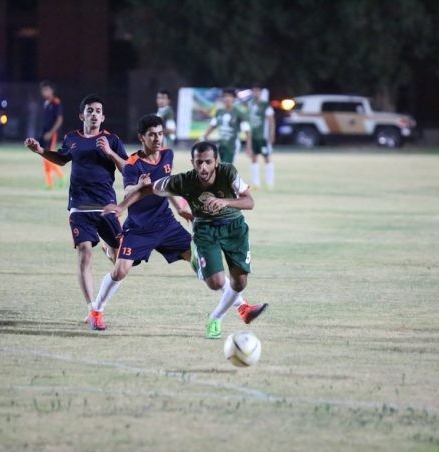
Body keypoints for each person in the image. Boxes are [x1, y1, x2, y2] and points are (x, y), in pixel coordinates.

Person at [103, 141, 268, 339]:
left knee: (240, 283)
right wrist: (121, 207)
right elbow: (147, 190)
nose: (203, 167)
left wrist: (225, 202)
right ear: (192, 162)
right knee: (215, 283)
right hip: (205, 230)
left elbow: (249, 201)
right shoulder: (183, 181)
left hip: (234, 229)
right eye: (199, 162)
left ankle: (222, 314)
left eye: (208, 162)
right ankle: (219, 316)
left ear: (216, 161)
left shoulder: (228, 172)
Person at [24, 94, 128, 319]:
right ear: (82, 116)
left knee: (122, 261)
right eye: (90, 111)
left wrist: (110, 153)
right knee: (84, 253)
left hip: (106, 206)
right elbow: (62, 159)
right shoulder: (72, 138)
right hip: (80, 206)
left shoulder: (112, 140)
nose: (94, 114)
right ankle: (93, 308)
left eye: (98, 111)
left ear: (103, 117)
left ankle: (107, 254)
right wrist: (40, 151)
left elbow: (127, 169)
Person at [87, 114, 194, 330]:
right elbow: (128, 191)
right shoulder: (133, 165)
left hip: (166, 223)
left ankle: (241, 305)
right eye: (152, 135)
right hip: (138, 228)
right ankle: (96, 310)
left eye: (160, 134)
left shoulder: (168, 154)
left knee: (200, 260)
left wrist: (180, 208)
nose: (157, 138)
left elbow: (166, 184)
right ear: (141, 138)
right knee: (120, 271)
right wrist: (139, 186)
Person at [201, 88, 252, 164]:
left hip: (232, 145)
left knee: (227, 167)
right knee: (218, 166)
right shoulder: (219, 112)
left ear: (234, 98)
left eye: (230, 96)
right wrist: (202, 138)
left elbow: (247, 131)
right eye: (225, 96)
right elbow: (212, 126)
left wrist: (248, 146)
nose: (227, 98)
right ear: (222, 98)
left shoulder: (239, 113)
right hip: (221, 144)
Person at [247, 84, 275, 188]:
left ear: (261, 92)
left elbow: (271, 121)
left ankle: (269, 182)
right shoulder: (250, 104)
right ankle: (256, 183)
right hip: (253, 136)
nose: (256, 93)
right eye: (254, 91)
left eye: (258, 91)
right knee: (254, 158)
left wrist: (272, 134)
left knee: (267, 158)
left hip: (263, 137)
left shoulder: (265, 105)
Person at [39, 80, 66, 189]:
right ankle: (50, 183)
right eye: (43, 90)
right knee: (45, 157)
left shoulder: (56, 103)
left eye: (47, 90)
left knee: (48, 157)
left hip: (52, 134)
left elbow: (59, 120)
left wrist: (51, 133)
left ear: (52, 90)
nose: (45, 92)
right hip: (45, 134)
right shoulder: (46, 103)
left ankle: (60, 177)